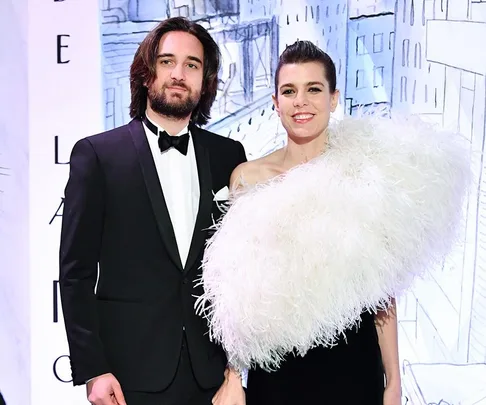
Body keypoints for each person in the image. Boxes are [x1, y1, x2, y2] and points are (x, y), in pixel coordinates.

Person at [196, 41, 470, 404]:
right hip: (278, 368)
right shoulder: (248, 178)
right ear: (276, 103)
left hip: (352, 361)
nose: (301, 102)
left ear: (334, 98)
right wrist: (233, 375)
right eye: (289, 91)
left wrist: (393, 383)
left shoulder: (362, 174)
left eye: (314, 89)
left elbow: (381, 291)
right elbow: (234, 294)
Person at [59, 17, 247, 405]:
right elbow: (75, 273)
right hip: (128, 378)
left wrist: (234, 369)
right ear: (147, 73)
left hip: (210, 376)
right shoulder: (98, 155)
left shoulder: (230, 156)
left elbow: (239, 274)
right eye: (167, 62)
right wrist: (93, 369)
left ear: (205, 81)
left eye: (192, 65)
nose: (179, 74)